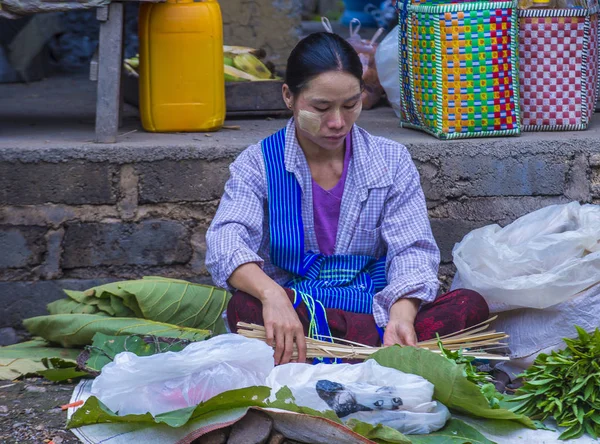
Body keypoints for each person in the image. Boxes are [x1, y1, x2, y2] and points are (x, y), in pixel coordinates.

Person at [206, 32, 489, 365]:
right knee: (246, 309)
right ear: (288, 97)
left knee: (470, 305)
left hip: (374, 309)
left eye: (351, 105)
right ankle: (380, 359)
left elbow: (412, 249)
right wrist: (271, 296)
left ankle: (348, 351)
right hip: (299, 308)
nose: (338, 122)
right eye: (321, 107)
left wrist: (401, 313)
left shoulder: (391, 160)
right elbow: (226, 241)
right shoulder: (259, 164)